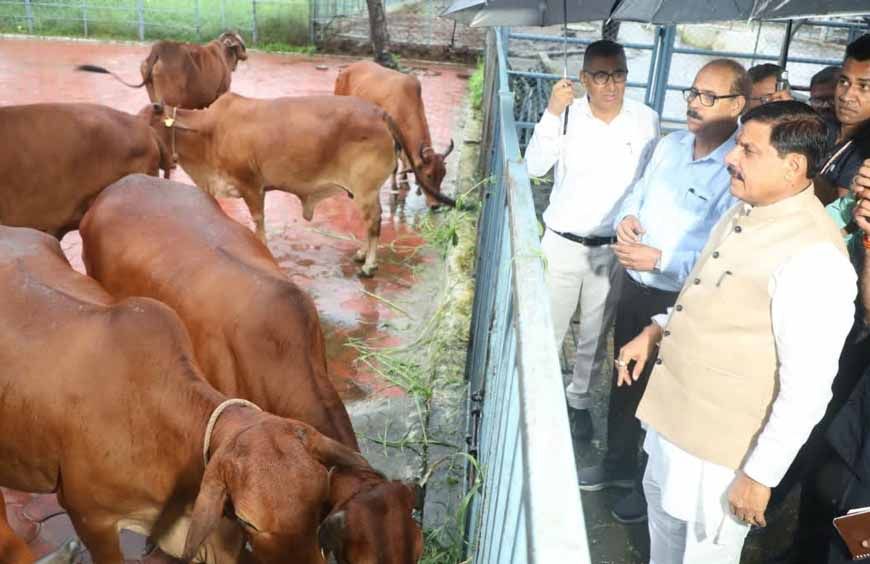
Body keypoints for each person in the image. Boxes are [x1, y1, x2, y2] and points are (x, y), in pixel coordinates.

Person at [618, 100, 857, 563]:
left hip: (722, 456)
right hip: (673, 423)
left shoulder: (816, 257)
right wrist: (655, 330)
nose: (730, 157)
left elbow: (808, 390)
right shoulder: (743, 211)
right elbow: (712, 294)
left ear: (792, 167)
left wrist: (760, 476)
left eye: (748, 150)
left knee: (704, 554)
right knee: (663, 536)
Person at [576, 59, 747, 524]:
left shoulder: (735, 169)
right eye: (693, 92)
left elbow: (722, 257)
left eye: (709, 97)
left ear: (739, 104)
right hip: (637, 287)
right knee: (624, 379)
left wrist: (661, 259)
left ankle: (644, 485)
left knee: (664, 397)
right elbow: (638, 193)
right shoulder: (670, 146)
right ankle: (616, 465)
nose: (694, 103)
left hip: (681, 300)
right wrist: (627, 218)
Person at [524, 40, 659, 441]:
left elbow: (650, 181)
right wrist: (552, 111)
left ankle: (578, 401)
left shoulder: (645, 120)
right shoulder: (566, 114)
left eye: (619, 74)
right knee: (547, 327)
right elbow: (534, 166)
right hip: (562, 242)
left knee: (596, 335)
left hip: (611, 248)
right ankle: (537, 403)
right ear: (583, 78)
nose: (611, 84)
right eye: (600, 76)